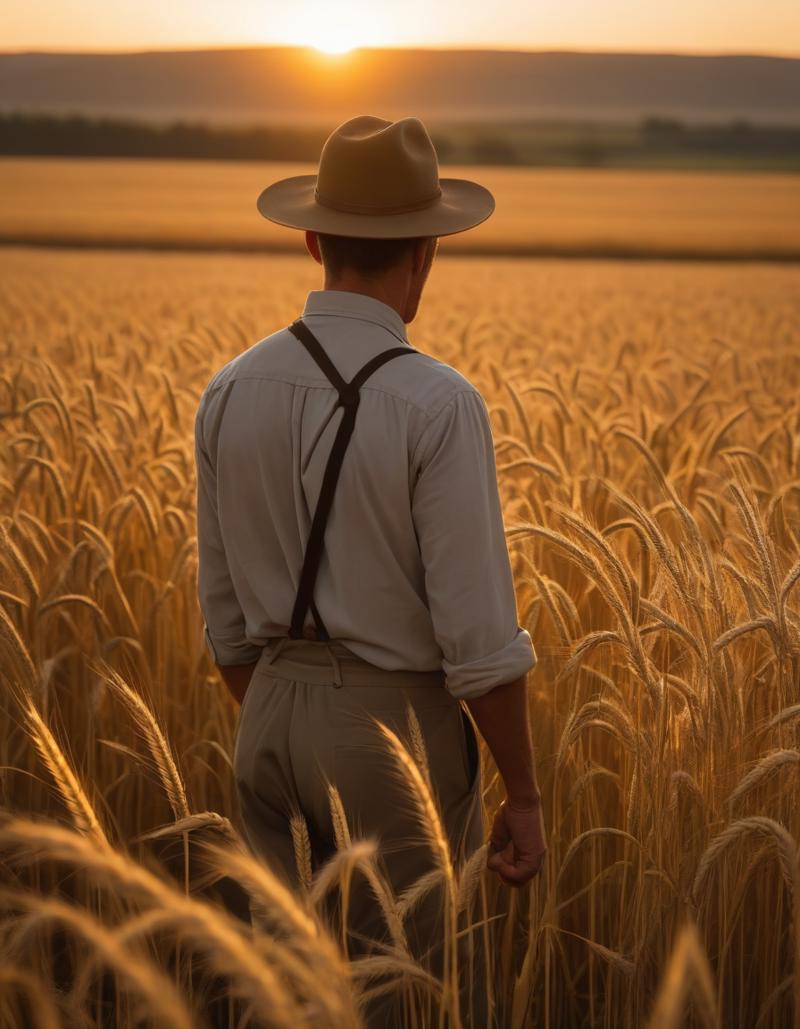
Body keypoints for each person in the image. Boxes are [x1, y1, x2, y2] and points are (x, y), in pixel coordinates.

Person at [194, 114, 547, 1027]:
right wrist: (524, 791)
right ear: (425, 252)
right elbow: (478, 641)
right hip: (393, 733)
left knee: (282, 996)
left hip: (264, 717)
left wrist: (295, 709)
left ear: (314, 240)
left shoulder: (230, 389)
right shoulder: (438, 402)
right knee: (409, 998)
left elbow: (226, 624)